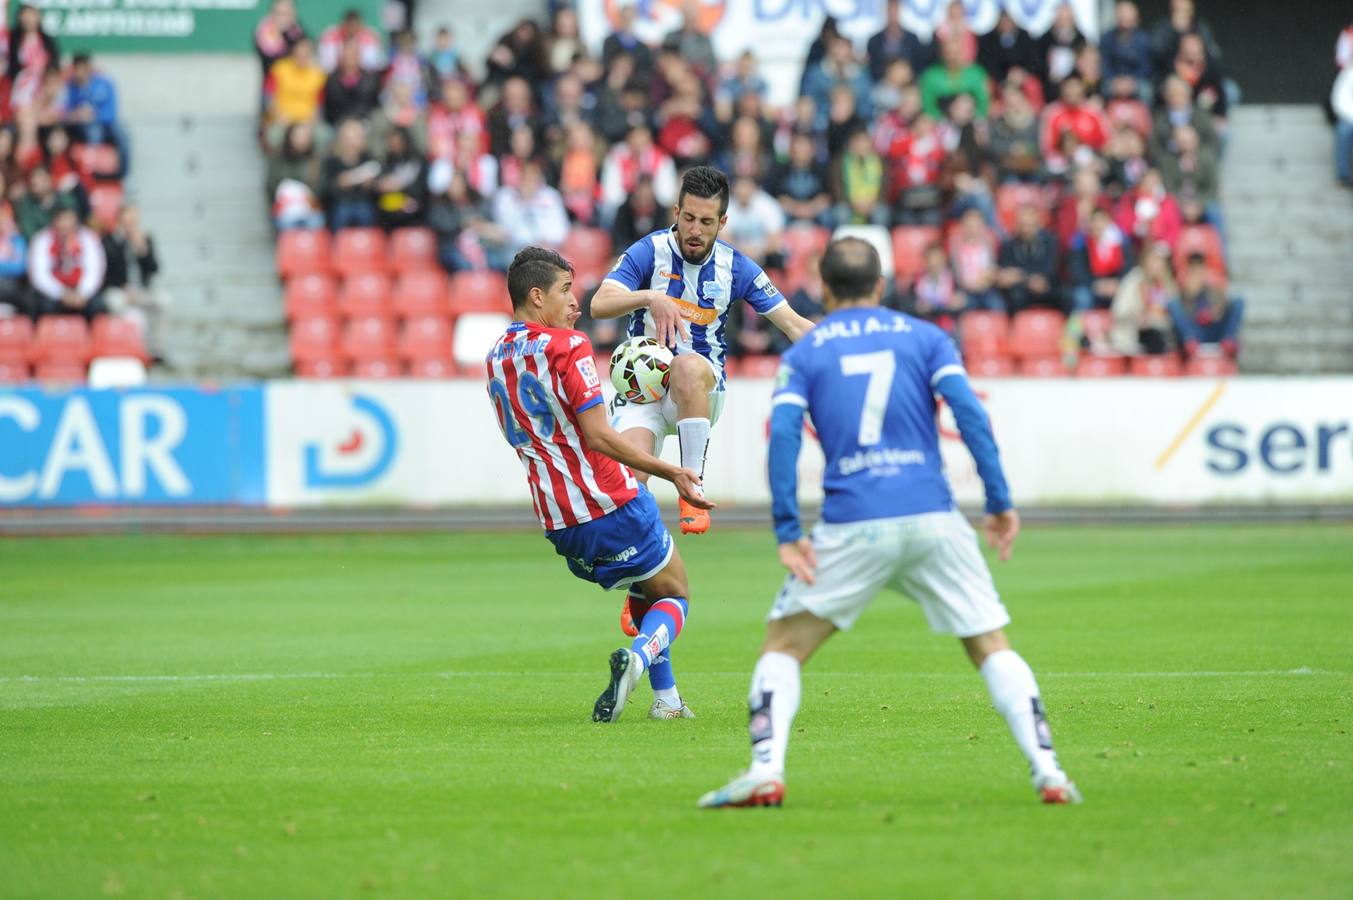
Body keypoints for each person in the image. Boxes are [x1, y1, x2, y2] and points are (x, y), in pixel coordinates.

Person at [697, 237, 1080, 808]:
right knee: (989, 644)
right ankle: (1049, 770)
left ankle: (766, 769)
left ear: (824, 289)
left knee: (783, 646)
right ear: (881, 285)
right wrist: (999, 501)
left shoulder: (806, 353)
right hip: (933, 515)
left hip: (852, 522)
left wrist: (787, 529)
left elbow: (784, 439)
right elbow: (970, 414)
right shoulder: (926, 337)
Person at [485, 246, 713, 722]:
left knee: (647, 586)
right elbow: (599, 436)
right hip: (610, 501)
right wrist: (672, 471)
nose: (575, 302)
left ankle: (667, 701)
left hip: (559, 523)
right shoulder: (567, 346)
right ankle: (639, 658)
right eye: (565, 291)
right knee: (675, 594)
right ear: (536, 296)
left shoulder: (496, 358)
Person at [590, 165, 815, 640]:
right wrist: (649, 298)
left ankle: (691, 486)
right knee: (629, 493)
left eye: (706, 222)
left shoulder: (737, 267)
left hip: (699, 390)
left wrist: (847, 348)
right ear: (676, 212)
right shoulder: (649, 251)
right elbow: (599, 304)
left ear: (723, 222)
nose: (695, 230)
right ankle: (642, 586)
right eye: (688, 218)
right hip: (643, 392)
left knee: (688, 365)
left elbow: (793, 324)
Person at [101, 205, 166, 361]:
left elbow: (154, 268)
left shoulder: (145, 239)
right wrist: (122, 242)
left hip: (140, 290)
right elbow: (106, 270)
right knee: (125, 309)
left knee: (164, 301)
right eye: (127, 221)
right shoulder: (109, 240)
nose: (131, 225)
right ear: (119, 220)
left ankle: (157, 351)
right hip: (118, 291)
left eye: (134, 221)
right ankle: (132, 350)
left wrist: (143, 250)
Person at [27, 204, 107, 320]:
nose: (65, 224)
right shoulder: (42, 240)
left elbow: (95, 270)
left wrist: (82, 293)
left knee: (98, 306)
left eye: (69, 219)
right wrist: (62, 293)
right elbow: (39, 276)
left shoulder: (88, 238)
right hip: (54, 293)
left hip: (81, 291)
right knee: (43, 306)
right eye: (61, 219)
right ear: (54, 221)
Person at [997, 204, 1060, 312]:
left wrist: (1021, 274)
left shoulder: (1050, 242)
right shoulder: (1008, 245)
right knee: (1014, 295)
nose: (1026, 230)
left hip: (1046, 286)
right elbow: (1007, 274)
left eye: (1030, 225)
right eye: (1022, 225)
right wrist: (1028, 279)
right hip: (1022, 289)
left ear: (1038, 225)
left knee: (1066, 295)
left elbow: (1051, 268)